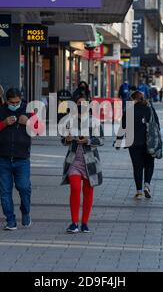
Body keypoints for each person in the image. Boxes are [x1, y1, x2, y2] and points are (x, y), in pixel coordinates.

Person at [0, 88, 33, 231]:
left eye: (18, 102)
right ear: (7, 101)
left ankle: (25, 212)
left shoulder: (28, 110)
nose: (15, 104)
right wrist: (3, 123)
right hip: (3, 158)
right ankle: (10, 220)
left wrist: (28, 123)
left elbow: (40, 129)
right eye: (12, 102)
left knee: (24, 187)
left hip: (22, 158)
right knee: (5, 191)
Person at [61, 94, 104, 234]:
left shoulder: (94, 121)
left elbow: (101, 140)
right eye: (78, 104)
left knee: (88, 192)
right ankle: (74, 223)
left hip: (90, 162)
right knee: (74, 188)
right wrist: (67, 139)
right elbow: (63, 140)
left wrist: (88, 140)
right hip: (73, 161)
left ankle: (84, 223)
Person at [117, 91, 160, 200]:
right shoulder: (149, 108)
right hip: (149, 143)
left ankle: (139, 192)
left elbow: (123, 126)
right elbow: (157, 124)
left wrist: (118, 141)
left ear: (134, 99)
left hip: (134, 143)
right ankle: (147, 185)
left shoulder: (130, 110)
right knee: (149, 164)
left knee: (137, 167)